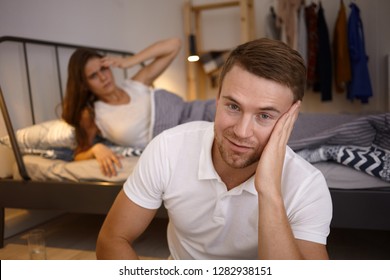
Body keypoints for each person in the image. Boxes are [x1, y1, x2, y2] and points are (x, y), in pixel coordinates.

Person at [96, 38, 333, 260]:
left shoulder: (307, 185)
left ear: (291, 117)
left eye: (264, 115)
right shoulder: (167, 148)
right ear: (217, 99)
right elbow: (112, 239)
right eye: (233, 106)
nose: (241, 131)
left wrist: (270, 192)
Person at [62, 38, 215, 177]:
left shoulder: (135, 84)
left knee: (231, 111)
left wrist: (129, 61)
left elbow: (174, 44)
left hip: (199, 111)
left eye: (103, 69)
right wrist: (97, 149)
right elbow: (78, 155)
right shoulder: (92, 114)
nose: (103, 77)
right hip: (182, 136)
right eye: (93, 76)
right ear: (84, 84)